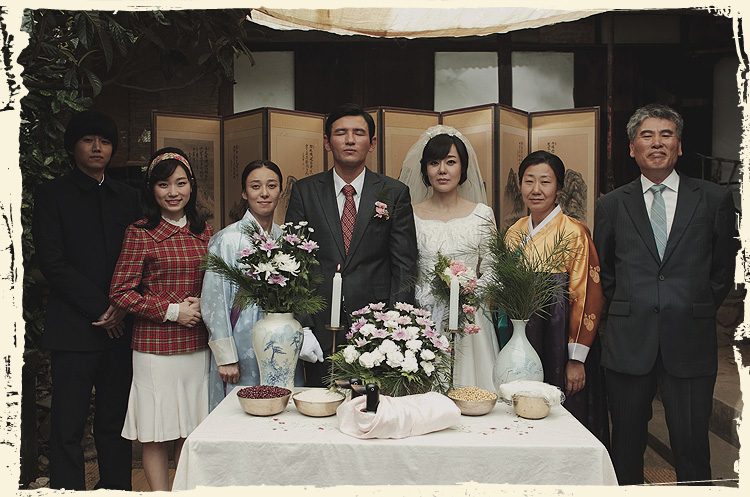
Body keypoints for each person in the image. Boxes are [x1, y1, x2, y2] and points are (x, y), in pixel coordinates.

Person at [593, 104, 737, 485]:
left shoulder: (713, 199)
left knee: (692, 452)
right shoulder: (611, 205)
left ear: (679, 146)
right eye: (647, 135)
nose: (657, 143)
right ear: (632, 148)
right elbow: (606, 273)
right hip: (629, 343)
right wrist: (634, 305)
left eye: (666, 135)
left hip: (690, 341)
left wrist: (692, 306)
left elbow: (723, 270)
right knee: (625, 450)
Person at [32, 110, 140, 490]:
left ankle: (116, 490)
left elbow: (140, 258)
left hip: (121, 331)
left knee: (115, 424)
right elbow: (53, 263)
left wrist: (122, 308)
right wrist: (103, 308)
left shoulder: (128, 197)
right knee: (68, 426)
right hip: (73, 330)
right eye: (88, 140)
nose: (97, 148)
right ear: (72, 146)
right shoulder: (52, 194)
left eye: (105, 141)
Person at [285, 103, 419, 387]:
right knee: (321, 402)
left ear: (372, 143)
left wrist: (396, 324)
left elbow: (404, 264)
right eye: (340, 133)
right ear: (326, 142)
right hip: (319, 323)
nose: (349, 140)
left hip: (376, 324)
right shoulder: (305, 191)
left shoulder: (394, 192)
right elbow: (293, 262)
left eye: (358, 133)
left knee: (373, 404)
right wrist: (303, 324)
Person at [109, 147, 213, 491]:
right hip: (155, 349)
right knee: (156, 431)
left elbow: (216, 283)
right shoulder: (140, 232)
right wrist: (171, 311)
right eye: (164, 184)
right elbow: (121, 292)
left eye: (181, 183)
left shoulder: (205, 231)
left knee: (190, 428)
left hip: (197, 344)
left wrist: (205, 302)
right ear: (151, 189)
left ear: (191, 186)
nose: (173, 192)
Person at [505, 150, 608, 445]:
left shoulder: (575, 233)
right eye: (529, 181)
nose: (536, 190)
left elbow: (586, 296)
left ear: (559, 188)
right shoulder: (514, 233)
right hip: (523, 338)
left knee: (563, 413)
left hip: (561, 340)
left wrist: (576, 359)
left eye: (545, 182)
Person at [201, 160, 319, 411]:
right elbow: (214, 301)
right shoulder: (228, 239)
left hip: (281, 340)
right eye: (255, 186)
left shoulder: (286, 239)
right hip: (241, 341)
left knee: (283, 407)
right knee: (240, 411)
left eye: (271, 186)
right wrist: (225, 356)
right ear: (244, 193)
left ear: (280, 192)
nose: (264, 193)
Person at [399, 125, 499, 392]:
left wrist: (467, 295)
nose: (442, 170)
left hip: (470, 321)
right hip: (423, 319)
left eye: (450, 162)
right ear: (425, 169)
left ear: (463, 168)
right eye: (434, 163)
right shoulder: (410, 215)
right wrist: (424, 298)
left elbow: (493, 269)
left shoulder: (482, 214)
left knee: (471, 393)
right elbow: (403, 267)